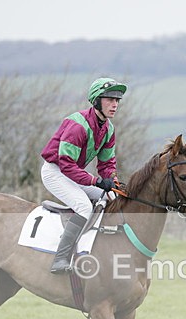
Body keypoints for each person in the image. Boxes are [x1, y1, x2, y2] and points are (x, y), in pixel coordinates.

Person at [40, 77, 127, 274]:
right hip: (55, 172)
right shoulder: (78, 125)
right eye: (109, 99)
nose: (115, 105)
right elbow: (66, 165)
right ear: (97, 101)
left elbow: (106, 164)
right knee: (84, 206)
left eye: (117, 101)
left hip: (73, 173)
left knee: (112, 197)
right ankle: (60, 259)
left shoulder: (108, 129)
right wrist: (96, 181)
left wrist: (112, 182)